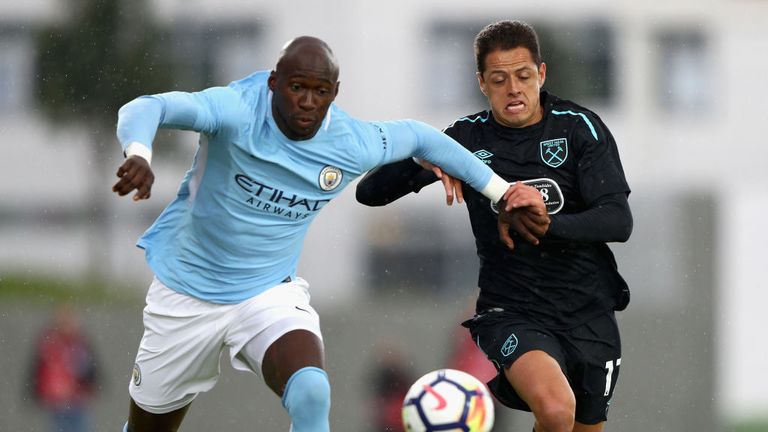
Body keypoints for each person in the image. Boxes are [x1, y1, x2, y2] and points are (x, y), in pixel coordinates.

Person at [112, 36, 529, 432]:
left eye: (321, 91)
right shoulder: (236, 110)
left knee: (311, 390)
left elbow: (422, 136)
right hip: (186, 295)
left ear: (335, 91)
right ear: (274, 82)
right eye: (297, 87)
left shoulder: (349, 141)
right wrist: (139, 153)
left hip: (266, 294)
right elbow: (146, 108)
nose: (308, 103)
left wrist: (501, 194)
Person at [356, 20, 632, 432]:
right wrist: (422, 159)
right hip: (512, 309)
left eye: (523, 76)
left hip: (587, 310)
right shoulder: (464, 140)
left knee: (579, 425)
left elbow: (618, 220)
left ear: (541, 74)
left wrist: (545, 222)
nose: (513, 89)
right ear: (482, 83)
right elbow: (370, 193)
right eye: (499, 79)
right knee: (556, 410)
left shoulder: (579, 129)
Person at [30, 303, 99, 432]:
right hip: (57, 404)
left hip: (78, 402)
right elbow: (39, 369)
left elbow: (92, 371)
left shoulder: (81, 344)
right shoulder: (49, 344)